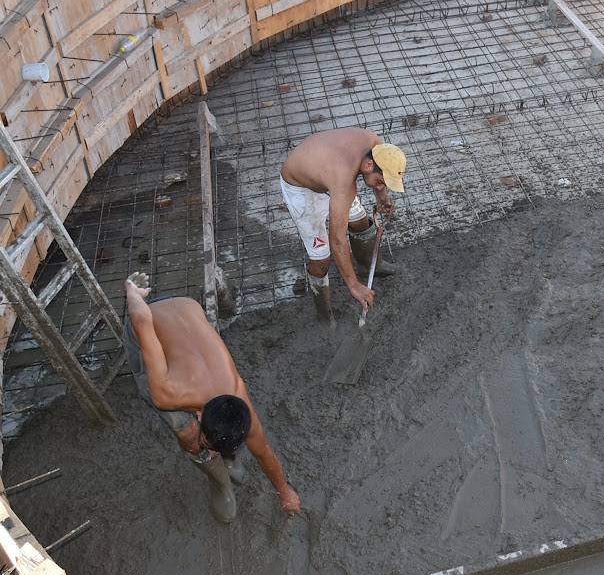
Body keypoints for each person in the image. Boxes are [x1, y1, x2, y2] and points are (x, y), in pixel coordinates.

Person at [123, 271, 300, 523]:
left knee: (204, 436)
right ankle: (220, 483)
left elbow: (263, 452)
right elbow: (141, 321)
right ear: (199, 413)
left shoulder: (239, 400)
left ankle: (225, 457)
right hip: (148, 316)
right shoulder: (168, 392)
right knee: (185, 432)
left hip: (187, 310)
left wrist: (284, 491)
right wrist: (132, 293)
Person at [280, 128, 407, 322]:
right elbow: (338, 239)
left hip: (325, 170)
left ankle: (370, 265)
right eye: (380, 182)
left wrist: (381, 196)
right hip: (301, 187)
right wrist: (354, 286)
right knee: (321, 261)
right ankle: (324, 316)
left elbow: (376, 180)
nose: (380, 186)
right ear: (368, 164)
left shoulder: (376, 144)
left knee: (361, 223)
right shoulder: (344, 182)